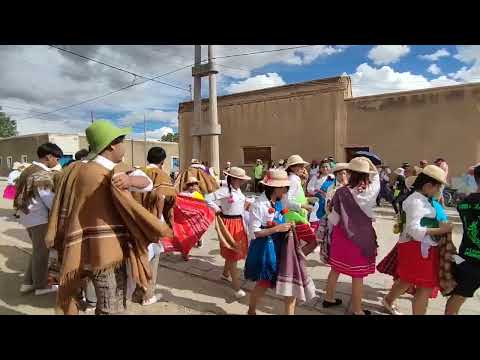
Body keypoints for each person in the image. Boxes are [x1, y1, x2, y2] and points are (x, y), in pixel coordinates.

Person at [46, 120, 173, 315]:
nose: (124, 146)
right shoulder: (108, 173)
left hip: (78, 246)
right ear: (113, 144)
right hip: (107, 251)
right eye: (122, 141)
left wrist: (130, 179)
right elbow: (146, 190)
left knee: (83, 296)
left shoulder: (75, 169)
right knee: (111, 305)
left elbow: (146, 183)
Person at [382, 165, 452, 315]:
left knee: (406, 279)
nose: (439, 192)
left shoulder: (422, 198)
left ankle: (388, 300)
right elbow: (415, 231)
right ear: (428, 186)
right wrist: (442, 230)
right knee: (424, 287)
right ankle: (389, 301)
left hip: (419, 248)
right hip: (417, 249)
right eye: (438, 188)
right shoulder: (416, 202)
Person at [244, 169, 316, 315]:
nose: (286, 190)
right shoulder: (259, 205)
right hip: (265, 248)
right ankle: (251, 310)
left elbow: (285, 208)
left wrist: (298, 214)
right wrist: (277, 228)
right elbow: (255, 233)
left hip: (282, 246)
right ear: (275, 188)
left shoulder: (280, 199)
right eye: (284, 187)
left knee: (290, 282)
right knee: (264, 283)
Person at [323, 157, 380, 315]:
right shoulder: (369, 192)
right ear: (366, 175)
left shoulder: (340, 192)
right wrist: (371, 166)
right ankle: (357, 309)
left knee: (335, 269)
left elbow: (334, 218)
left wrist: (328, 212)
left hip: (341, 236)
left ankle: (328, 298)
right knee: (358, 274)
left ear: (350, 173)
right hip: (361, 238)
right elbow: (377, 179)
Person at [14, 143, 63, 296]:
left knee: (37, 251)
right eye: (57, 158)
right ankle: (41, 286)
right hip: (39, 218)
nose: (57, 162)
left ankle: (28, 283)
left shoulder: (28, 170)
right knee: (42, 253)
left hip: (28, 216)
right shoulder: (41, 174)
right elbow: (49, 200)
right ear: (49, 157)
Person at [131, 146, 176, 306]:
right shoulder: (162, 175)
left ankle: (137, 290)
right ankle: (147, 295)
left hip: (135, 221)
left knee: (138, 255)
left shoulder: (136, 172)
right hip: (152, 223)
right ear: (163, 161)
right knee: (152, 259)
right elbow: (168, 201)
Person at [206, 167, 252, 299]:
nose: (242, 181)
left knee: (232, 252)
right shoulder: (225, 190)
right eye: (240, 179)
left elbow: (239, 204)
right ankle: (237, 288)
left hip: (238, 222)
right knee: (233, 254)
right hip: (230, 223)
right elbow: (207, 198)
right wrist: (218, 209)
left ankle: (225, 274)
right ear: (234, 179)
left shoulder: (237, 190)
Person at [444, 165, 480, 315]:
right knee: (459, 296)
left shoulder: (464, 203)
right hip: (474, 262)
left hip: (465, 257)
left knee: (458, 296)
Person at [284, 154, 313, 224]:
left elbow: (296, 196)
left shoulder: (295, 179)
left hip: (295, 216)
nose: (303, 169)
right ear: (292, 167)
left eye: (303, 166)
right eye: (300, 166)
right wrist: (304, 206)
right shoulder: (293, 180)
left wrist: (307, 199)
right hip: (294, 218)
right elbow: (287, 202)